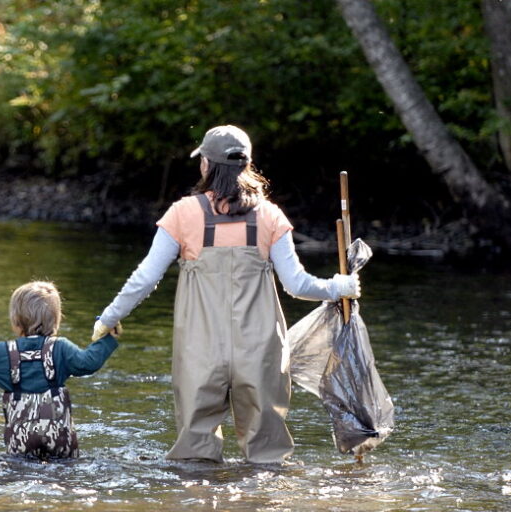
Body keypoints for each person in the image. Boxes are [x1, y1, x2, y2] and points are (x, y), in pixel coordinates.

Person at [91, 125, 360, 464]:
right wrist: (340, 286)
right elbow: (298, 286)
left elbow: (145, 278)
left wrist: (109, 317)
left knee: (194, 458)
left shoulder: (182, 213)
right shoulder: (269, 215)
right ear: (247, 166)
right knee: (268, 459)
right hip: (260, 351)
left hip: (199, 351)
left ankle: (202, 511)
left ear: (206, 164)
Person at [0, 281, 120, 460]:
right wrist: (109, 338)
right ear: (56, 321)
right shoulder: (61, 348)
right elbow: (89, 362)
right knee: (65, 472)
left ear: (16, 322)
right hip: (60, 440)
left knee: (18, 471)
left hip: (21, 443)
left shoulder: (1, 353)